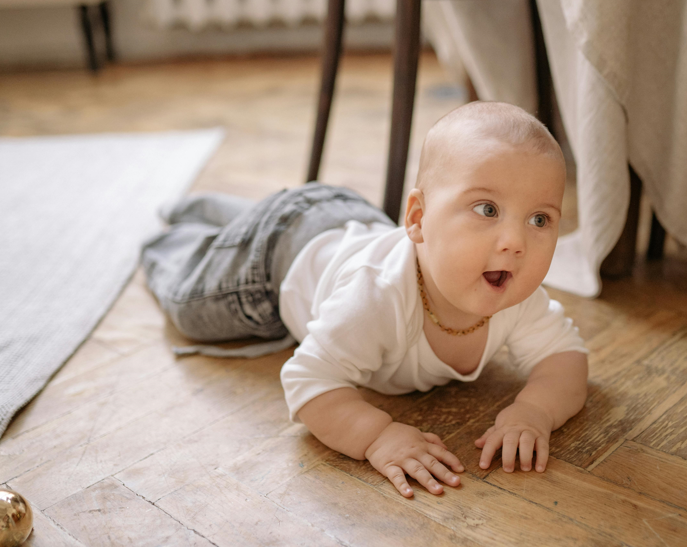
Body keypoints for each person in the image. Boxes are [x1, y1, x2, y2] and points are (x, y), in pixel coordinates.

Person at [141, 101, 589, 499]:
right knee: (190, 304)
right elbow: (307, 381)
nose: (515, 242)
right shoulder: (376, 298)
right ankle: (172, 238)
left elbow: (565, 357)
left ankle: (223, 214)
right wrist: (377, 436)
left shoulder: (517, 295)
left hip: (344, 220)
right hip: (277, 258)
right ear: (418, 219)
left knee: (241, 233)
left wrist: (534, 412)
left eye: (539, 218)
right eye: (487, 209)